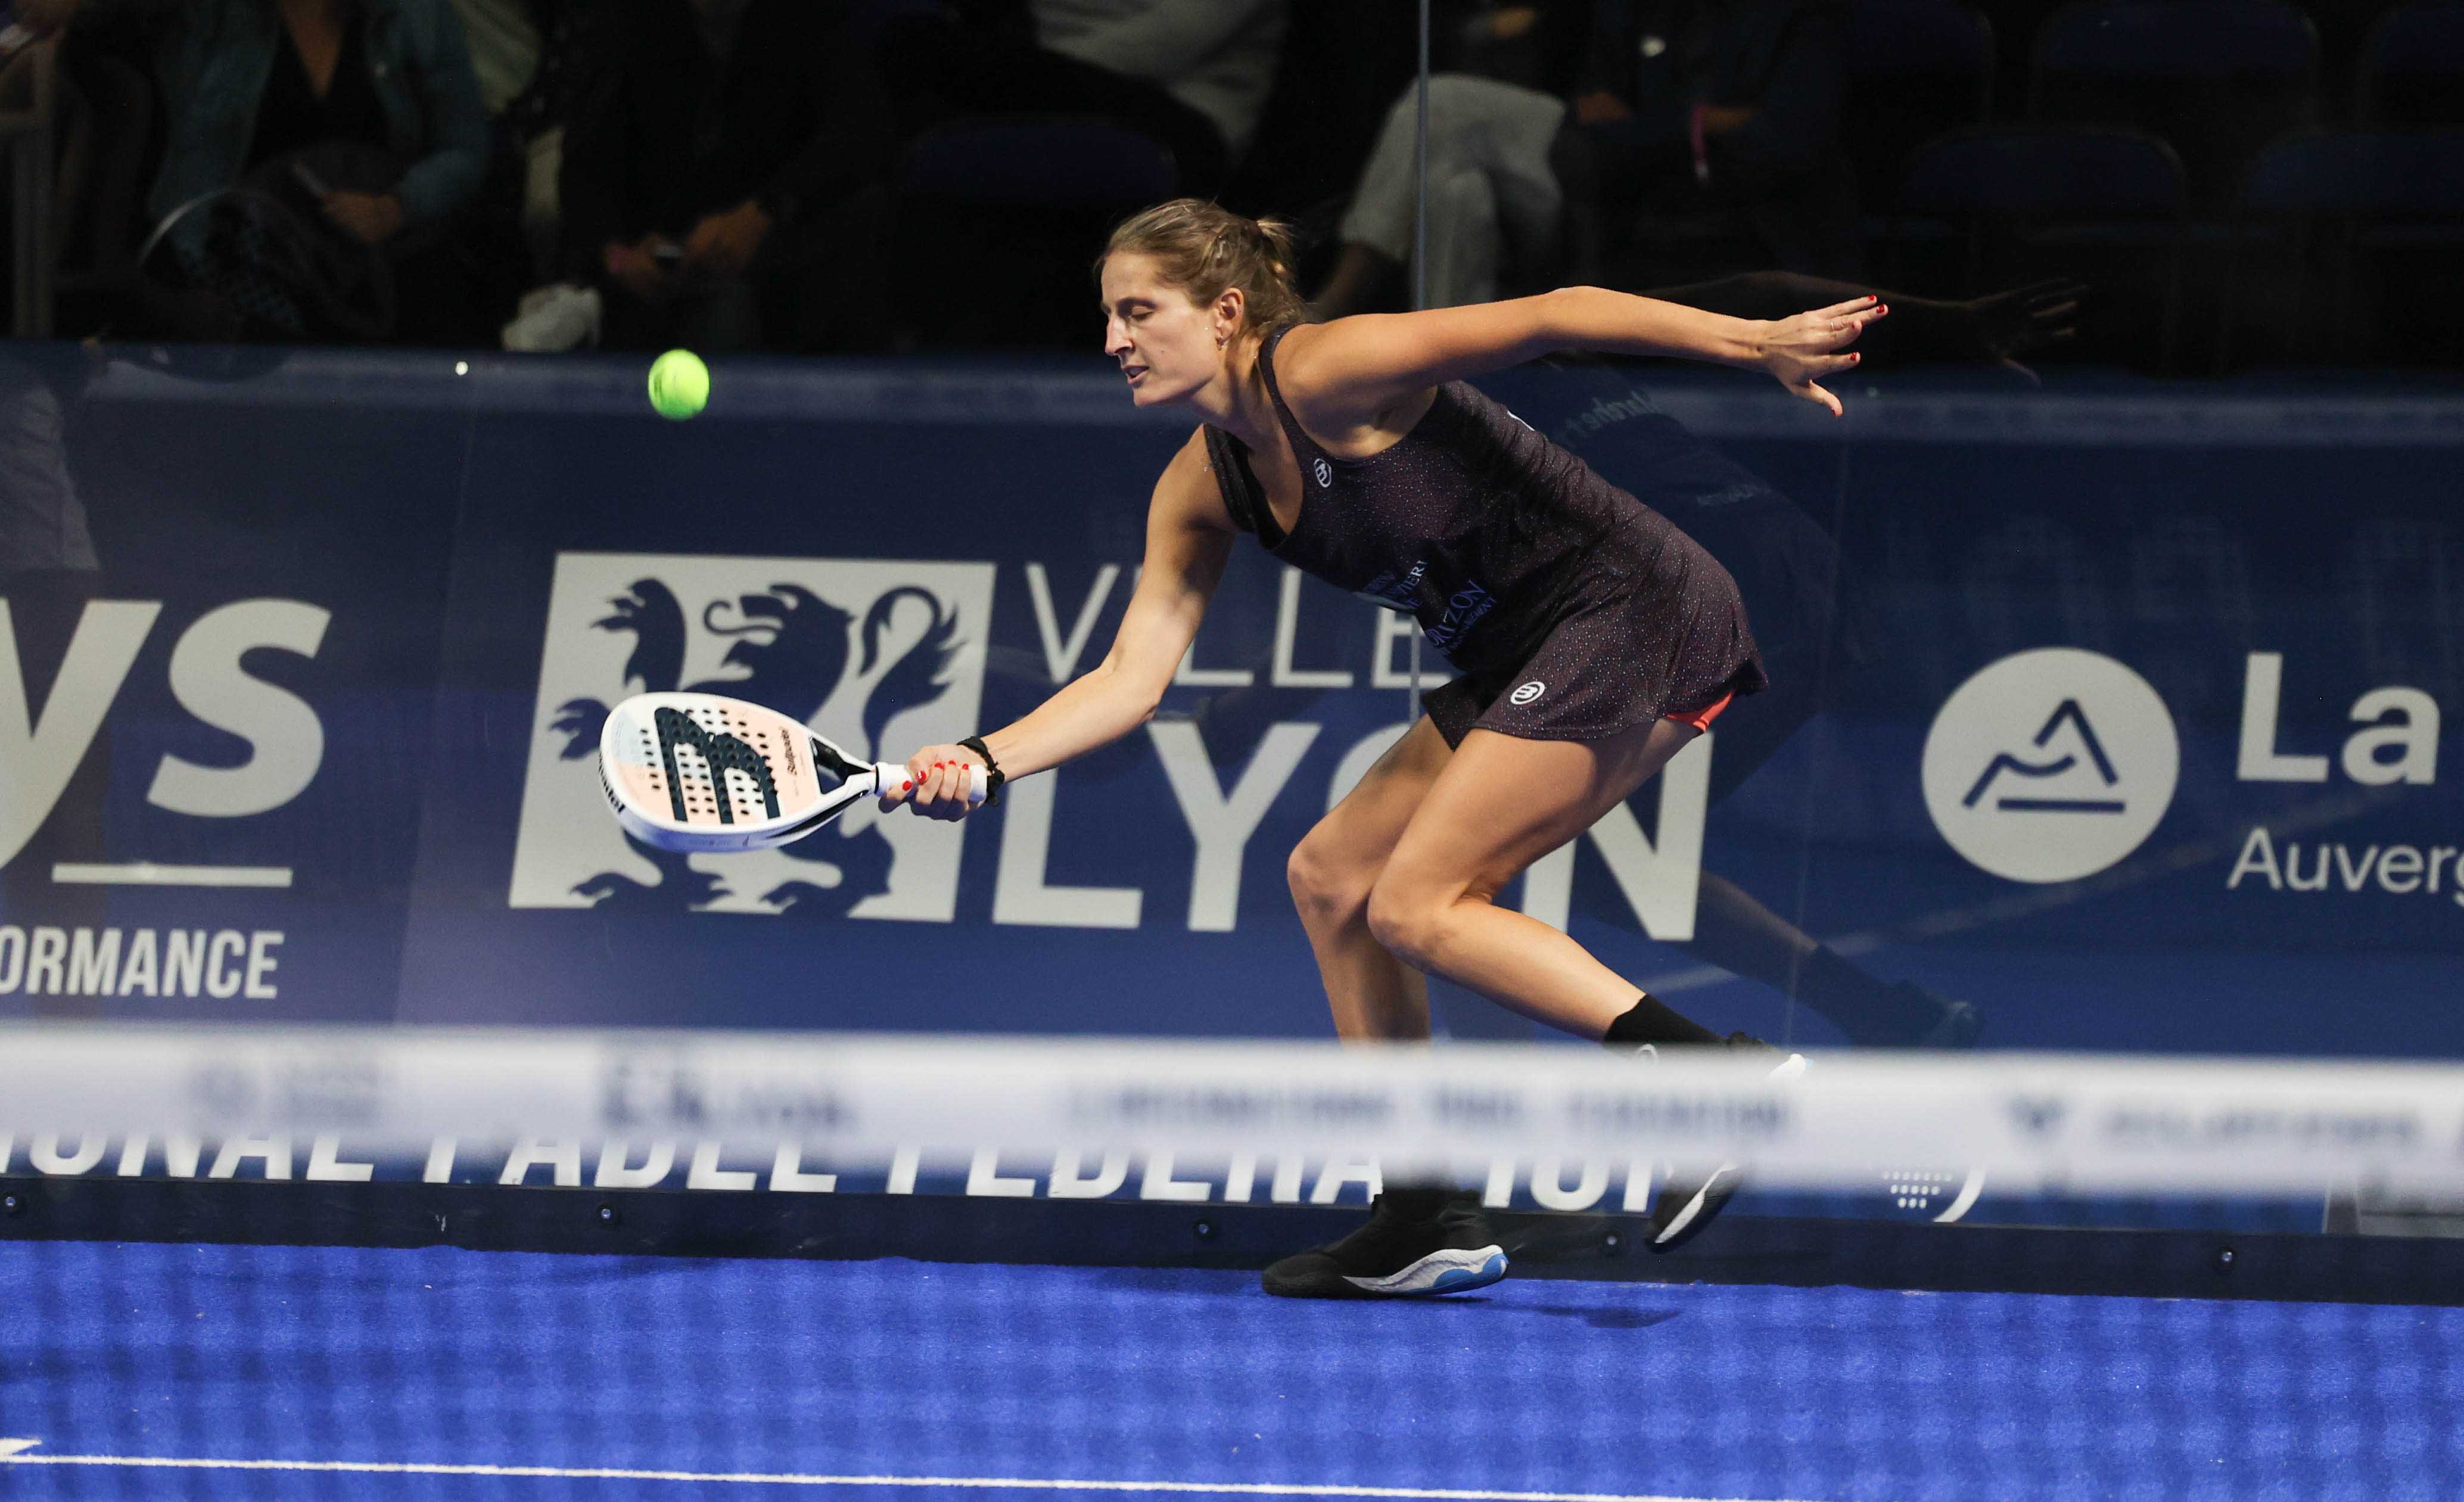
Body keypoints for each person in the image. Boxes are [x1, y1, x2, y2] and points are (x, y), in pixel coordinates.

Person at [885, 199, 1880, 1298]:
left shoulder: (1325, 370)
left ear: (1225, 312)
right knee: (1332, 876)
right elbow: (1130, 679)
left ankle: (1709, 1082)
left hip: (1633, 606)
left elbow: (1554, 313)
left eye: (1139, 311)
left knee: (1420, 903)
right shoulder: (1202, 483)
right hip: (1524, 650)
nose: (1114, 339)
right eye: (1110, 316)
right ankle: (1421, 1213)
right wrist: (984, 760)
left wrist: (1757, 343)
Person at [29, 0, 494, 344]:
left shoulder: (417, 15)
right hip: (230, 265)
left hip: (370, 274)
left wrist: (398, 206)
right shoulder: (210, 14)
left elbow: (466, 146)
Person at [556, 0, 892, 353]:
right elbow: (584, 171)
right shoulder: (628, 21)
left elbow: (862, 130)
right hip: (654, 268)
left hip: (780, 264)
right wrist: (618, 256)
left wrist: (765, 211)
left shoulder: (804, 18)